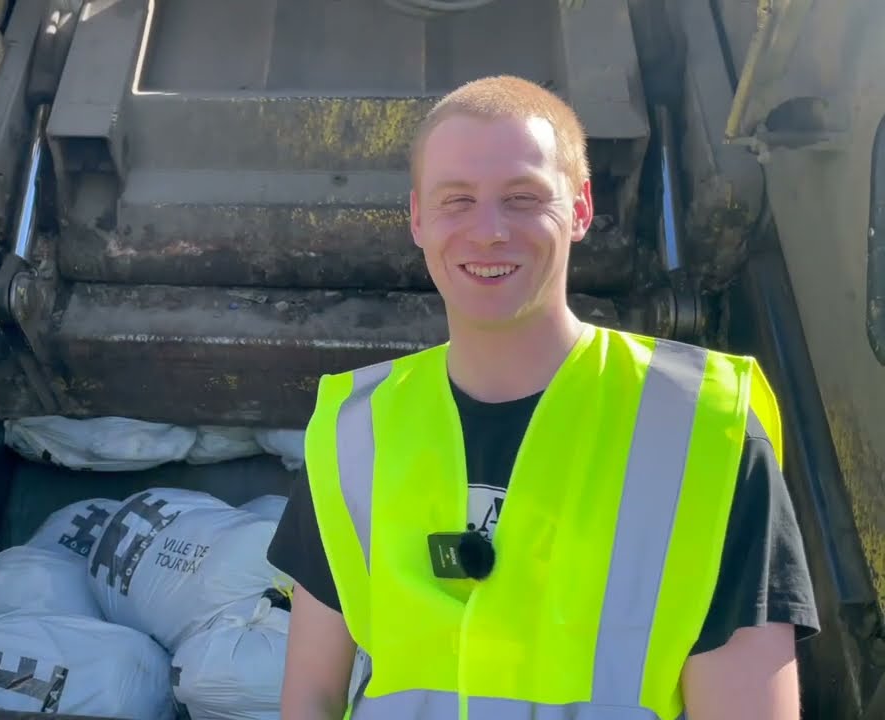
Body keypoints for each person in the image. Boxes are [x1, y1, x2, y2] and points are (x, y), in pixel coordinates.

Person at [267, 75, 820, 720]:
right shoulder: (352, 431)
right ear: (417, 218)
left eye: (524, 197)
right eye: (457, 200)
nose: (489, 231)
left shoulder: (704, 429)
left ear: (581, 208)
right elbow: (310, 693)